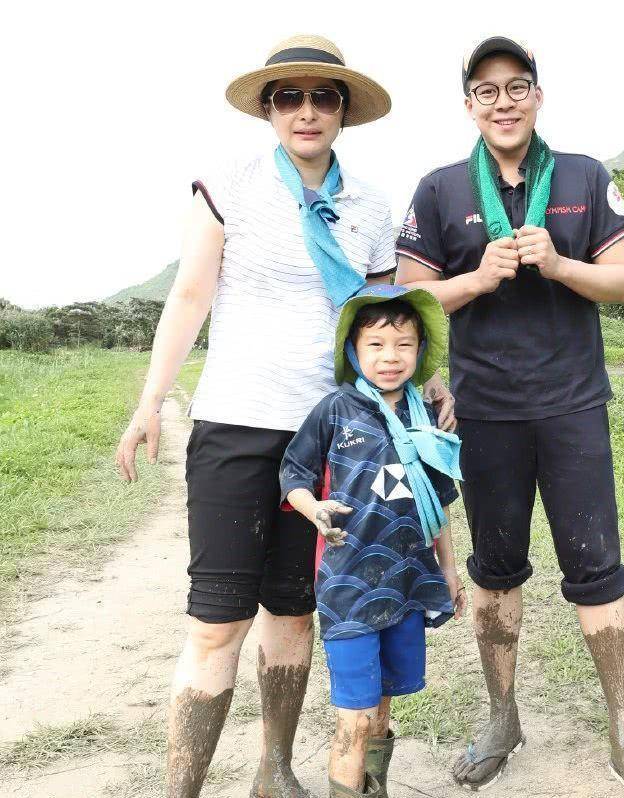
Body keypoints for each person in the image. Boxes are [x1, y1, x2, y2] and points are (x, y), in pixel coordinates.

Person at [115, 35, 454, 798]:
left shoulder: (369, 206)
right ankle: (182, 790)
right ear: (269, 110)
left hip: (333, 437)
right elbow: (191, 296)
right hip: (236, 424)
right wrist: (148, 402)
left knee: (294, 612)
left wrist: (426, 386)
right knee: (216, 621)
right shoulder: (228, 188)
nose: (307, 111)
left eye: (323, 97)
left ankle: (275, 771)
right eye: (290, 97)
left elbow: (376, 324)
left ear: (343, 112)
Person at [395, 37, 624, 798]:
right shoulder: (439, 189)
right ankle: (502, 717)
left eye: (516, 86)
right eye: (486, 92)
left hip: (574, 405)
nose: (503, 102)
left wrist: (556, 265)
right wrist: (475, 277)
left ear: (537, 95)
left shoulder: (584, 176)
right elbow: (411, 302)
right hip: (484, 411)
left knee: (598, 570)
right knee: (494, 573)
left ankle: (623, 733)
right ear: (469, 107)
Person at [280, 284, 466, 798]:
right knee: (355, 719)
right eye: (376, 346)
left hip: (407, 583)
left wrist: (447, 571)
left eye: (404, 345)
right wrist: (312, 508)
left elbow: (438, 501)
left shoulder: (423, 414)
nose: (390, 357)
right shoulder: (334, 409)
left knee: (383, 707)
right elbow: (292, 473)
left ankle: (373, 787)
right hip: (348, 586)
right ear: (353, 352)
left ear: (420, 351)